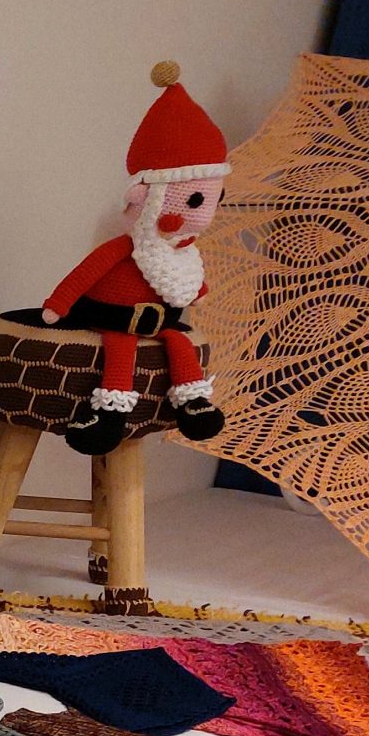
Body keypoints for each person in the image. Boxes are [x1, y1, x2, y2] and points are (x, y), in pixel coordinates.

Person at [42, 61, 230, 456]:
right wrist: (58, 305)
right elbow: (85, 273)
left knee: (178, 343)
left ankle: (193, 402)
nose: (201, 217)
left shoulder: (182, 254)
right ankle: (109, 412)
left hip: (161, 323)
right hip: (114, 322)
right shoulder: (124, 249)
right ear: (145, 199)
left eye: (210, 201)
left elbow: (188, 281)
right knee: (121, 348)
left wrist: (198, 292)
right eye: (194, 201)